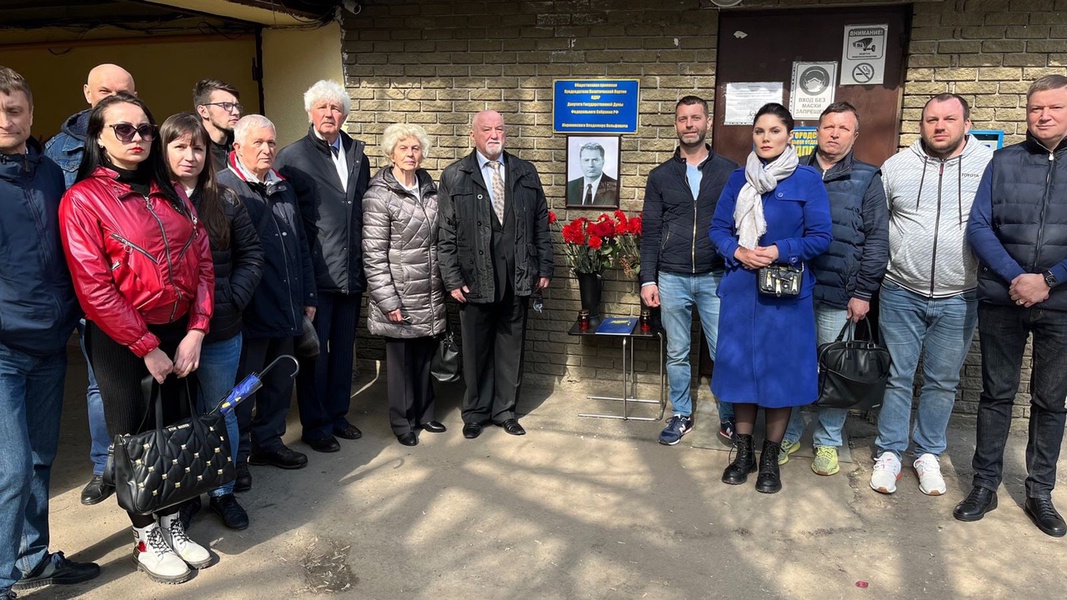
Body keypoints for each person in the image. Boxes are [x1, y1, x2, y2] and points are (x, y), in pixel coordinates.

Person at [59, 92, 215, 584]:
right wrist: (146, 346)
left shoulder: (172, 193)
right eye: (123, 129)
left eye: (144, 129)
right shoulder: (82, 200)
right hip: (123, 339)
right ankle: (147, 533)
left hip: (180, 334)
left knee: (175, 433)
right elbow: (93, 288)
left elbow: (204, 264)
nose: (137, 138)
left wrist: (196, 329)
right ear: (100, 139)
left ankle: (172, 519)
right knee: (134, 438)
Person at [0, 66, 100, 599]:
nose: (6, 120)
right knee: (11, 470)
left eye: (14, 109)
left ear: (31, 113)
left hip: (49, 342)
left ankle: (33, 558)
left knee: (41, 460)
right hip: (4, 350)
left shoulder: (46, 173)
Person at [955, 75, 1067, 537]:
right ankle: (984, 484)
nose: (1043, 116)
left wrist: (1049, 280)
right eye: (1035, 108)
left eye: (1054, 108)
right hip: (1003, 299)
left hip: (1061, 304)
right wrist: (1017, 278)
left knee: (1050, 400)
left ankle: (1040, 491)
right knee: (996, 395)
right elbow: (979, 227)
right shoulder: (1002, 161)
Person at [870, 94, 993, 496]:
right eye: (931, 120)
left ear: (966, 123)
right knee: (898, 377)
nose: (939, 126)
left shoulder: (989, 166)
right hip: (901, 290)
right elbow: (876, 223)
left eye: (949, 119)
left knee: (943, 380)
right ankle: (889, 451)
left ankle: (927, 453)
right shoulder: (897, 167)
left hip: (961, 294)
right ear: (920, 125)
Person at [708, 102, 832, 494]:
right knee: (742, 372)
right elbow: (717, 229)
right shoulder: (736, 180)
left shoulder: (807, 181)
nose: (766, 138)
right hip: (743, 289)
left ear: (790, 136)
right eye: (760, 131)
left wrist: (781, 250)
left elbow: (821, 237)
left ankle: (769, 459)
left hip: (785, 292)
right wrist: (737, 250)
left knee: (779, 375)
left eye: (774, 131)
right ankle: (743, 453)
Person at [161, 113, 264, 530]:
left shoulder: (225, 199)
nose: (190, 156)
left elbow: (252, 255)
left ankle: (222, 491)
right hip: (167, 333)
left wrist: (231, 299)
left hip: (220, 330)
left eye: (198, 147)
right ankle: (187, 492)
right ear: (163, 150)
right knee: (180, 418)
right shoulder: (150, 200)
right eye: (180, 147)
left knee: (221, 411)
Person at [779, 102, 889, 475]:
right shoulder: (792, 173)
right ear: (818, 130)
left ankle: (827, 440)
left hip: (839, 295)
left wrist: (863, 293)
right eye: (829, 126)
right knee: (794, 366)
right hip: (792, 291)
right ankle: (789, 432)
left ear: (855, 135)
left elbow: (876, 241)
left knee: (836, 371)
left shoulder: (867, 178)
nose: (835, 133)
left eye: (844, 128)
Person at [44, 62, 136, 507]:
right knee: (103, 382)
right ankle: (107, 467)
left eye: (124, 91)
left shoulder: (145, 145)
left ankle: (144, 461)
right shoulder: (58, 151)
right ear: (87, 93)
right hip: (89, 293)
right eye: (105, 91)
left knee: (151, 381)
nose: (113, 98)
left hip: (141, 291)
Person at [438, 110, 554, 439]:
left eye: (499, 129)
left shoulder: (525, 172)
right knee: (475, 349)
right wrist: (452, 277)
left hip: (518, 274)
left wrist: (544, 266)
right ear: (473, 135)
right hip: (473, 277)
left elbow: (540, 224)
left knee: (511, 347)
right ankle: (475, 413)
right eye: (486, 129)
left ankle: (505, 410)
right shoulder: (455, 175)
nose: (494, 134)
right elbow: (445, 233)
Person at [219, 115, 316, 485]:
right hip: (250, 311)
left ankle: (269, 440)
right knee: (244, 387)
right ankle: (238, 453)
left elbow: (300, 244)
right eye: (258, 143)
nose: (267, 149)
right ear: (238, 146)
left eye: (271, 143)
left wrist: (307, 294)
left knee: (279, 380)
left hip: (287, 305)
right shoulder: (226, 188)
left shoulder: (282, 185)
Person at [276, 80, 370, 453]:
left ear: (344, 114)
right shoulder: (292, 156)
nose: (330, 114)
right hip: (316, 274)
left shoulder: (356, 152)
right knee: (316, 352)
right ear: (309, 113)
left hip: (351, 271)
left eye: (336, 108)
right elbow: (289, 222)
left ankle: (338, 414)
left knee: (345, 349)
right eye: (322, 108)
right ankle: (315, 426)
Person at [639, 95, 738, 446]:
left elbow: (742, 225)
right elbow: (650, 229)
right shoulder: (661, 176)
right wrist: (648, 277)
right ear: (676, 124)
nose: (690, 125)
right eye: (683, 119)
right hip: (672, 277)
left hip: (714, 276)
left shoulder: (730, 171)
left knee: (722, 350)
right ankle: (681, 413)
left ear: (707, 122)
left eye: (696, 118)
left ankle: (730, 419)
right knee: (677, 351)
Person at [362, 123, 447, 446]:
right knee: (400, 363)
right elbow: (373, 253)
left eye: (415, 148)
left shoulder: (430, 188)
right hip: (398, 291)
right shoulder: (379, 195)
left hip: (428, 289)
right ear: (391, 154)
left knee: (425, 356)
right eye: (403, 148)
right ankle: (402, 422)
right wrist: (388, 301)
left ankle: (425, 415)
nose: (410, 154)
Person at [193, 79, 242, 171]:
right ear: (203, 111)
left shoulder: (241, 147)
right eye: (226, 105)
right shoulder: (193, 152)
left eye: (237, 106)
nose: (236, 112)